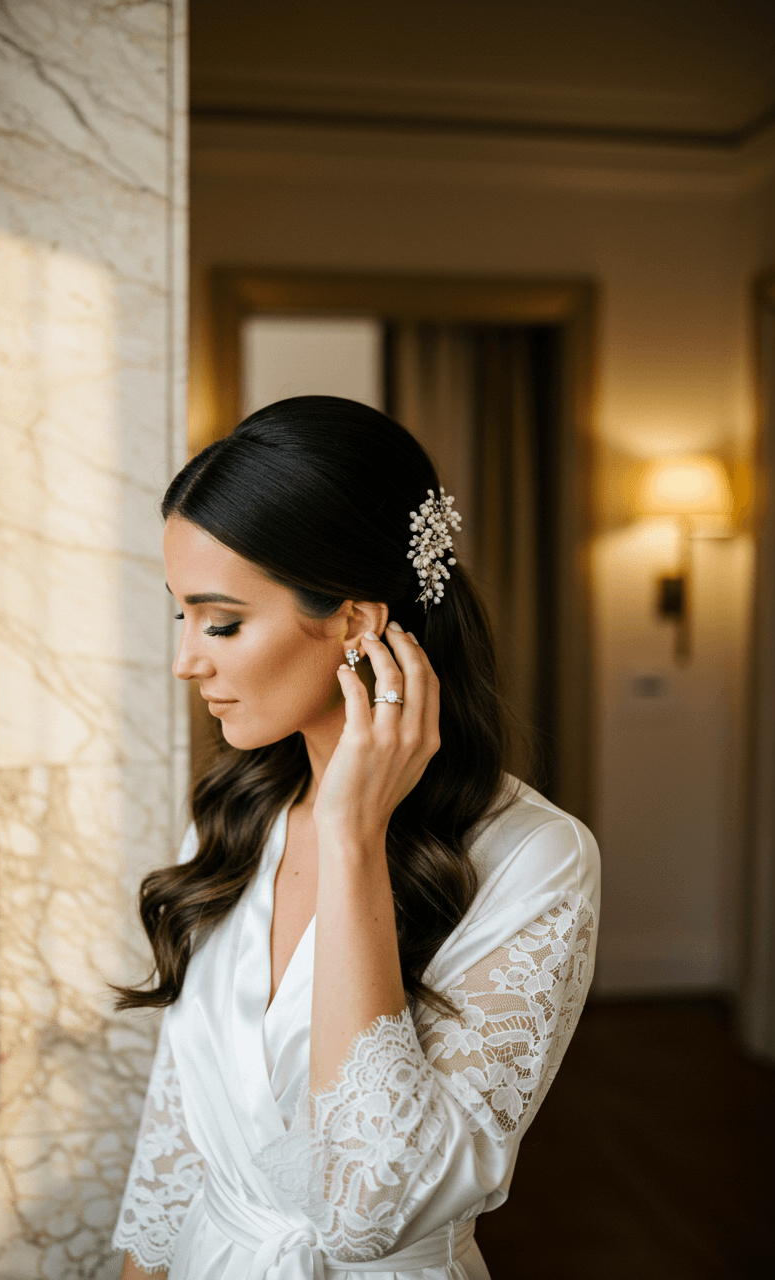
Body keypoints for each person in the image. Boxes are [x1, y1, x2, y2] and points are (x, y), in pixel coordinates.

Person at [112, 396, 600, 1280]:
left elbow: (368, 1208)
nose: (187, 658)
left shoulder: (536, 858)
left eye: (221, 620)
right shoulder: (232, 815)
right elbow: (178, 1131)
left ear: (354, 622)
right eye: (178, 614)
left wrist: (352, 838)